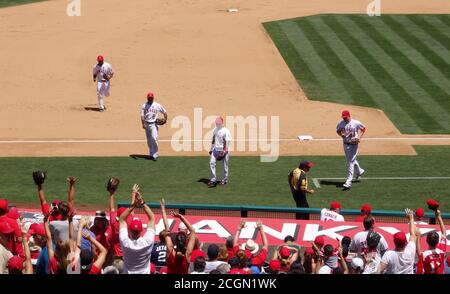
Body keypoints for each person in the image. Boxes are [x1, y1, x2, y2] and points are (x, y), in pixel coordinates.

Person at [118, 186, 156, 274]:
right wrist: (141, 202)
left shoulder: (125, 242)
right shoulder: (147, 242)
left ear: (130, 231)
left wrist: (134, 204)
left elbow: (122, 219)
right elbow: (152, 218)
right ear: (141, 231)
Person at [160, 198, 196, 274]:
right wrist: (181, 217)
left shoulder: (171, 253)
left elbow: (167, 229)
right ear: (186, 242)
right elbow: (193, 232)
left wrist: (163, 209)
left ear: (176, 241)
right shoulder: (187, 255)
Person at [379, 209, 417, 274]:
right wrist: (411, 218)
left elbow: (379, 271)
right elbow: (412, 234)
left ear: (394, 242)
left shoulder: (389, 254)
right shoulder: (410, 250)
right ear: (405, 242)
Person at [336, 110, 366, 190]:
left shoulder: (356, 123)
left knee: (350, 162)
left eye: (346, 117)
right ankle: (360, 171)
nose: (344, 119)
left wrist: (359, 137)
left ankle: (348, 182)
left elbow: (363, 129)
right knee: (351, 160)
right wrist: (341, 135)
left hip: (353, 145)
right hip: (345, 144)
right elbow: (338, 131)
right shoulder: (341, 123)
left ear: (349, 116)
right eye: (343, 117)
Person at [416, 208, 447, 274]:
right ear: (437, 242)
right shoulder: (442, 252)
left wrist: (418, 236)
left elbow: (418, 252)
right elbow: (444, 233)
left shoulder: (424, 255)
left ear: (426, 241)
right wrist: (439, 216)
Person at [140, 91, 168, 161]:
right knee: (149, 141)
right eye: (149, 98)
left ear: (153, 98)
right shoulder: (144, 106)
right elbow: (142, 116)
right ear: (147, 98)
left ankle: (155, 155)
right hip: (147, 124)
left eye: (151, 98)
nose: (150, 99)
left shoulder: (157, 105)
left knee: (154, 139)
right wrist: (143, 124)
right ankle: (151, 154)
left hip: (154, 124)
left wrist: (165, 119)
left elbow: (164, 111)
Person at [48, 177, 77, 243]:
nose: (54, 206)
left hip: (57, 247)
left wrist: (49, 211)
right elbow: (71, 200)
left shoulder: (51, 221)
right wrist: (72, 185)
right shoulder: (72, 220)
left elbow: (43, 202)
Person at [208, 116, 232, 187]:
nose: (217, 124)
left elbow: (227, 141)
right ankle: (213, 179)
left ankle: (224, 180)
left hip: (224, 150)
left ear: (222, 123)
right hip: (215, 150)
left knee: (225, 166)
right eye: (216, 123)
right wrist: (211, 149)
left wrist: (225, 151)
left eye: (219, 123)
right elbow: (213, 140)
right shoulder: (215, 130)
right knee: (211, 163)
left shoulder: (226, 131)